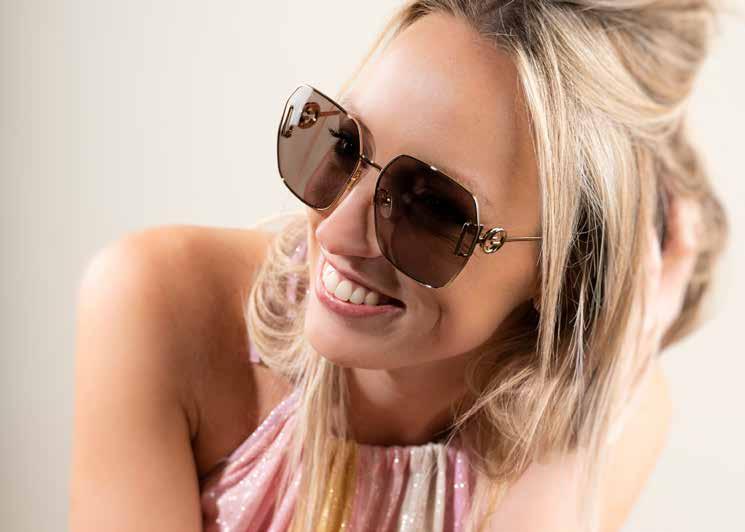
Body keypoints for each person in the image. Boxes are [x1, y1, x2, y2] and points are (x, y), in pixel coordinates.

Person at [69, 1, 729, 531]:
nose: (335, 229)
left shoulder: (611, 421)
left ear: (566, 267)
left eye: (432, 208)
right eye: (341, 144)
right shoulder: (164, 307)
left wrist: (575, 440)